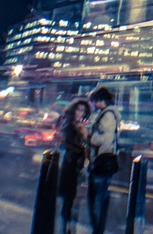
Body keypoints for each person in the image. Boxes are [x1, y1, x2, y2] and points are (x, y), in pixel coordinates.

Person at [86, 87, 120, 234]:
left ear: (100, 100)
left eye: (94, 101)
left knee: (97, 198)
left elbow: (106, 139)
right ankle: (97, 229)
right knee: (96, 198)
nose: (93, 104)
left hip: (101, 161)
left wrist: (90, 137)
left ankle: (98, 230)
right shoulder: (105, 114)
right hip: (101, 161)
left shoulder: (108, 116)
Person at [58, 98, 91, 234]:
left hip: (76, 166)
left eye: (83, 111)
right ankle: (65, 228)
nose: (80, 113)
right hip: (69, 165)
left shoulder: (78, 126)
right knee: (68, 199)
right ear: (73, 110)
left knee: (71, 199)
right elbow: (68, 145)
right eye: (79, 110)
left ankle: (68, 227)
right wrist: (83, 137)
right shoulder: (69, 125)